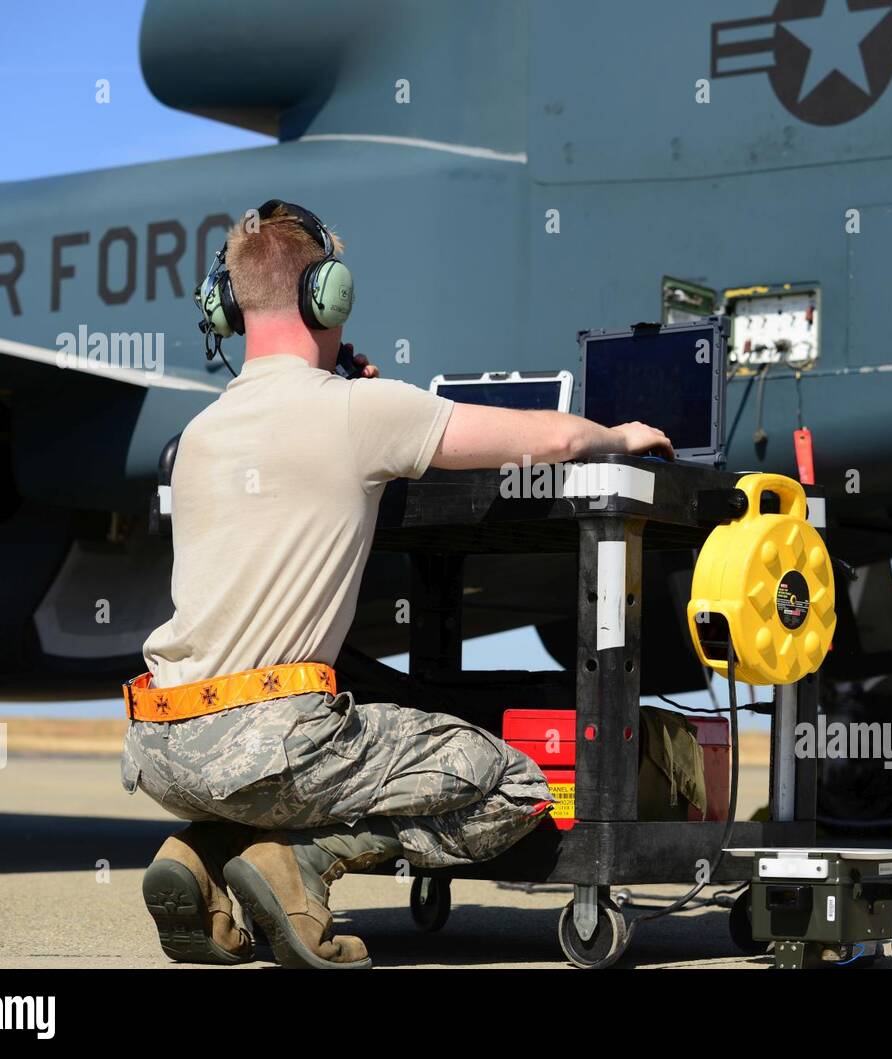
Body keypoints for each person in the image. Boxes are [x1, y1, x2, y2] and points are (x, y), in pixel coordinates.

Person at [123, 200, 673, 969]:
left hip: (161, 746)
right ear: (329, 296)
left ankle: (201, 852)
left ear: (227, 306)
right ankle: (301, 865)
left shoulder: (199, 436)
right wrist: (621, 437)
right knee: (510, 784)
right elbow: (552, 437)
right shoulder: (360, 410)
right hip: (269, 745)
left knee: (305, 745)